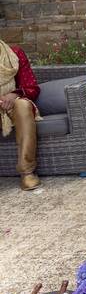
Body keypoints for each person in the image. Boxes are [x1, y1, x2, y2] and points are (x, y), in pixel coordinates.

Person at [0, 40, 41, 191]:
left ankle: (27, 172)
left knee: (23, 105)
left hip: (12, 105)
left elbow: (32, 88)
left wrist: (13, 94)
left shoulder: (15, 53)